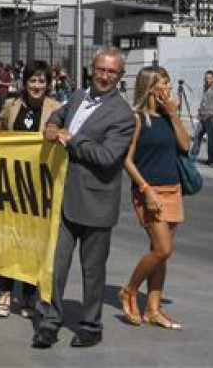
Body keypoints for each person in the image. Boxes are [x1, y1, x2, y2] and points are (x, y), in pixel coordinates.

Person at [32, 47, 135, 349]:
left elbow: (106, 156)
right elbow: (60, 112)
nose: (104, 76)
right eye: (100, 69)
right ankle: (49, 322)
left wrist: (73, 139)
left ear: (120, 76)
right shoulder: (78, 95)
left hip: (97, 203)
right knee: (56, 265)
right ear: (91, 69)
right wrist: (52, 124)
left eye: (111, 72)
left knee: (93, 270)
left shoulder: (123, 114)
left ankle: (91, 325)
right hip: (64, 198)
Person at [0, 60, 62, 319]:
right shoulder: (11, 105)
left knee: (32, 241)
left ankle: (28, 294)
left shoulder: (57, 108)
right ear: (24, 83)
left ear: (47, 84)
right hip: (11, 184)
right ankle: (5, 290)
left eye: (41, 81)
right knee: (8, 238)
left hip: (38, 189)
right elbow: (0, 126)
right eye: (32, 81)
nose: (37, 86)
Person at [118, 66, 189, 331]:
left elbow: (185, 145)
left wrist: (173, 114)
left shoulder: (169, 116)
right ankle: (129, 290)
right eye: (164, 83)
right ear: (150, 88)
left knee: (161, 255)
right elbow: (126, 159)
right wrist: (146, 189)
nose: (168, 87)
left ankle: (153, 310)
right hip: (150, 192)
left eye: (169, 82)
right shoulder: (137, 119)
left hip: (173, 189)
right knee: (162, 249)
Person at [190, 70, 213, 164]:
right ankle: (192, 157)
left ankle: (212, 159)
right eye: (206, 78)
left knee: (211, 140)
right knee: (197, 136)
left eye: (209, 78)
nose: (207, 80)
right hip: (202, 117)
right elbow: (204, 101)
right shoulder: (206, 87)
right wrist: (199, 112)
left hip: (211, 118)